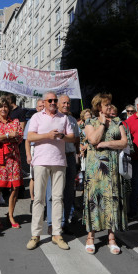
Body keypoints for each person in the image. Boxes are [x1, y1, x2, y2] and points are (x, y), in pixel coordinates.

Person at [81, 93, 131, 255]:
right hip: (95, 170)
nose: (109, 107)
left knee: (112, 200)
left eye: (110, 104)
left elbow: (124, 142)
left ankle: (111, 238)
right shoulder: (90, 122)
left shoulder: (118, 122)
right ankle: (91, 237)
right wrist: (102, 124)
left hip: (112, 169)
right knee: (95, 201)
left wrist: (107, 143)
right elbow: (93, 140)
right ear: (98, 107)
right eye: (106, 105)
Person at [25, 91, 75, 251]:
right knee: (39, 199)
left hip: (59, 162)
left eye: (55, 100)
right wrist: (48, 135)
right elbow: (30, 137)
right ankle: (35, 235)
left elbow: (72, 137)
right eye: (50, 100)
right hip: (40, 162)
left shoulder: (63, 117)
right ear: (44, 102)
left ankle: (57, 234)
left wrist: (62, 136)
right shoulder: (36, 117)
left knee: (58, 198)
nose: (53, 102)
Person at [0, 96, 23, 229]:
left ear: (9, 108)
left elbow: (19, 137)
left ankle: (10, 215)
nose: (3, 109)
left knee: (15, 187)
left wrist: (4, 137)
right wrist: (9, 136)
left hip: (14, 158)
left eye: (6, 106)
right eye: (1, 106)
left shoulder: (15, 121)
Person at [59, 95, 80, 230]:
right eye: (64, 103)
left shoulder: (73, 120)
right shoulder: (55, 119)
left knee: (69, 192)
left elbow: (76, 140)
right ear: (58, 104)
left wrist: (77, 157)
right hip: (57, 158)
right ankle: (55, 222)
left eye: (68, 103)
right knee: (56, 192)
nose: (66, 105)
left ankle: (65, 220)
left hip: (70, 157)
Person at [25, 98, 44, 202]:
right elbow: (27, 140)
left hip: (44, 149)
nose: (42, 108)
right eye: (40, 106)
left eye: (43, 106)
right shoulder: (33, 120)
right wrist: (28, 155)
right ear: (37, 108)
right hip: (34, 148)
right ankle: (33, 199)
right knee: (33, 177)